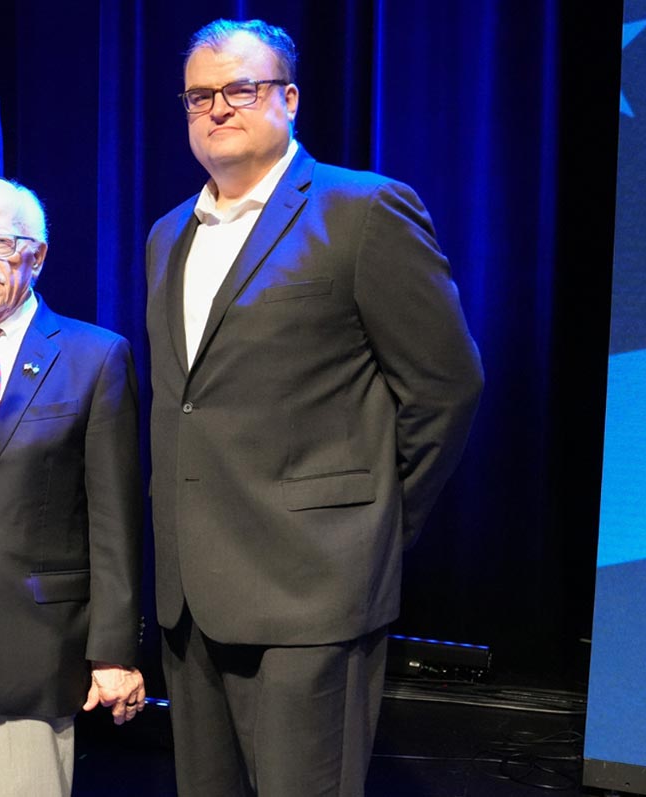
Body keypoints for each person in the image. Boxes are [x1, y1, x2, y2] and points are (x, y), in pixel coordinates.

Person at [143, 19, 484, 797]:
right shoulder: (169, 234)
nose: (218, 108)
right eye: (200, 95)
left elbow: (445, 386)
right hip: (191, 600)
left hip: (313, 594)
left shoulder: (362, 211)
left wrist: (373, 523)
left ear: (288, 99)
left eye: (241, 89)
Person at [0, 176, 146, 796]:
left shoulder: (95, 357)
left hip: (40, 648)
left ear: (36, 255)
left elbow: (116, 522)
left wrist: (115, 652)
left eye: (0, 242)